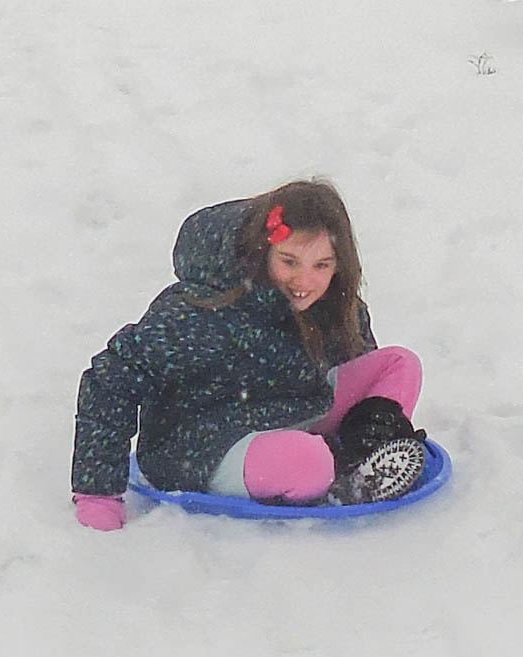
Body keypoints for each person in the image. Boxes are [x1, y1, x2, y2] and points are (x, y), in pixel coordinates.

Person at [71, 179, 426, 531]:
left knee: (400, 364)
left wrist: (373, 419)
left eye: (322, 265)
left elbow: (358, 365)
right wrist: (98, 496)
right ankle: (328, 469)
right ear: (263, 250)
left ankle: (363, 455)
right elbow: (111, 381)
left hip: (293, 410)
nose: (304, 280)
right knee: (310, 464)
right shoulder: (201, 309)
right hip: (199, 444)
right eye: (290, 261)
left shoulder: (332, 303)